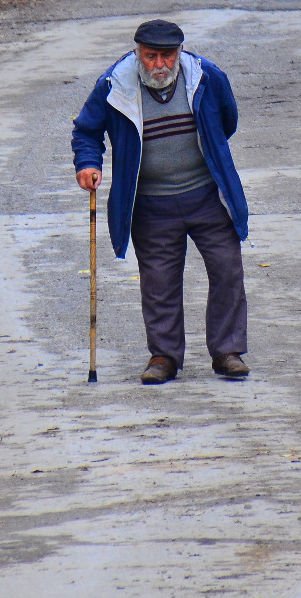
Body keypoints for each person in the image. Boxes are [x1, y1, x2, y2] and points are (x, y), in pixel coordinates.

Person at [72, 19, 250, 384]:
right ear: (138, 53)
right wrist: (88, 163)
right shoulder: (114, 84)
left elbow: (227, 121)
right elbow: (87, 130)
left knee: (227, 270)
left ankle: (227, 352)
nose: (159, 65)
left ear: (179, 52)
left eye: (166, 56)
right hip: (151, 203)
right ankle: (164, 357)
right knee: (158, 282)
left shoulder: (206, 77)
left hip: (208, 196)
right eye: (150, 56)